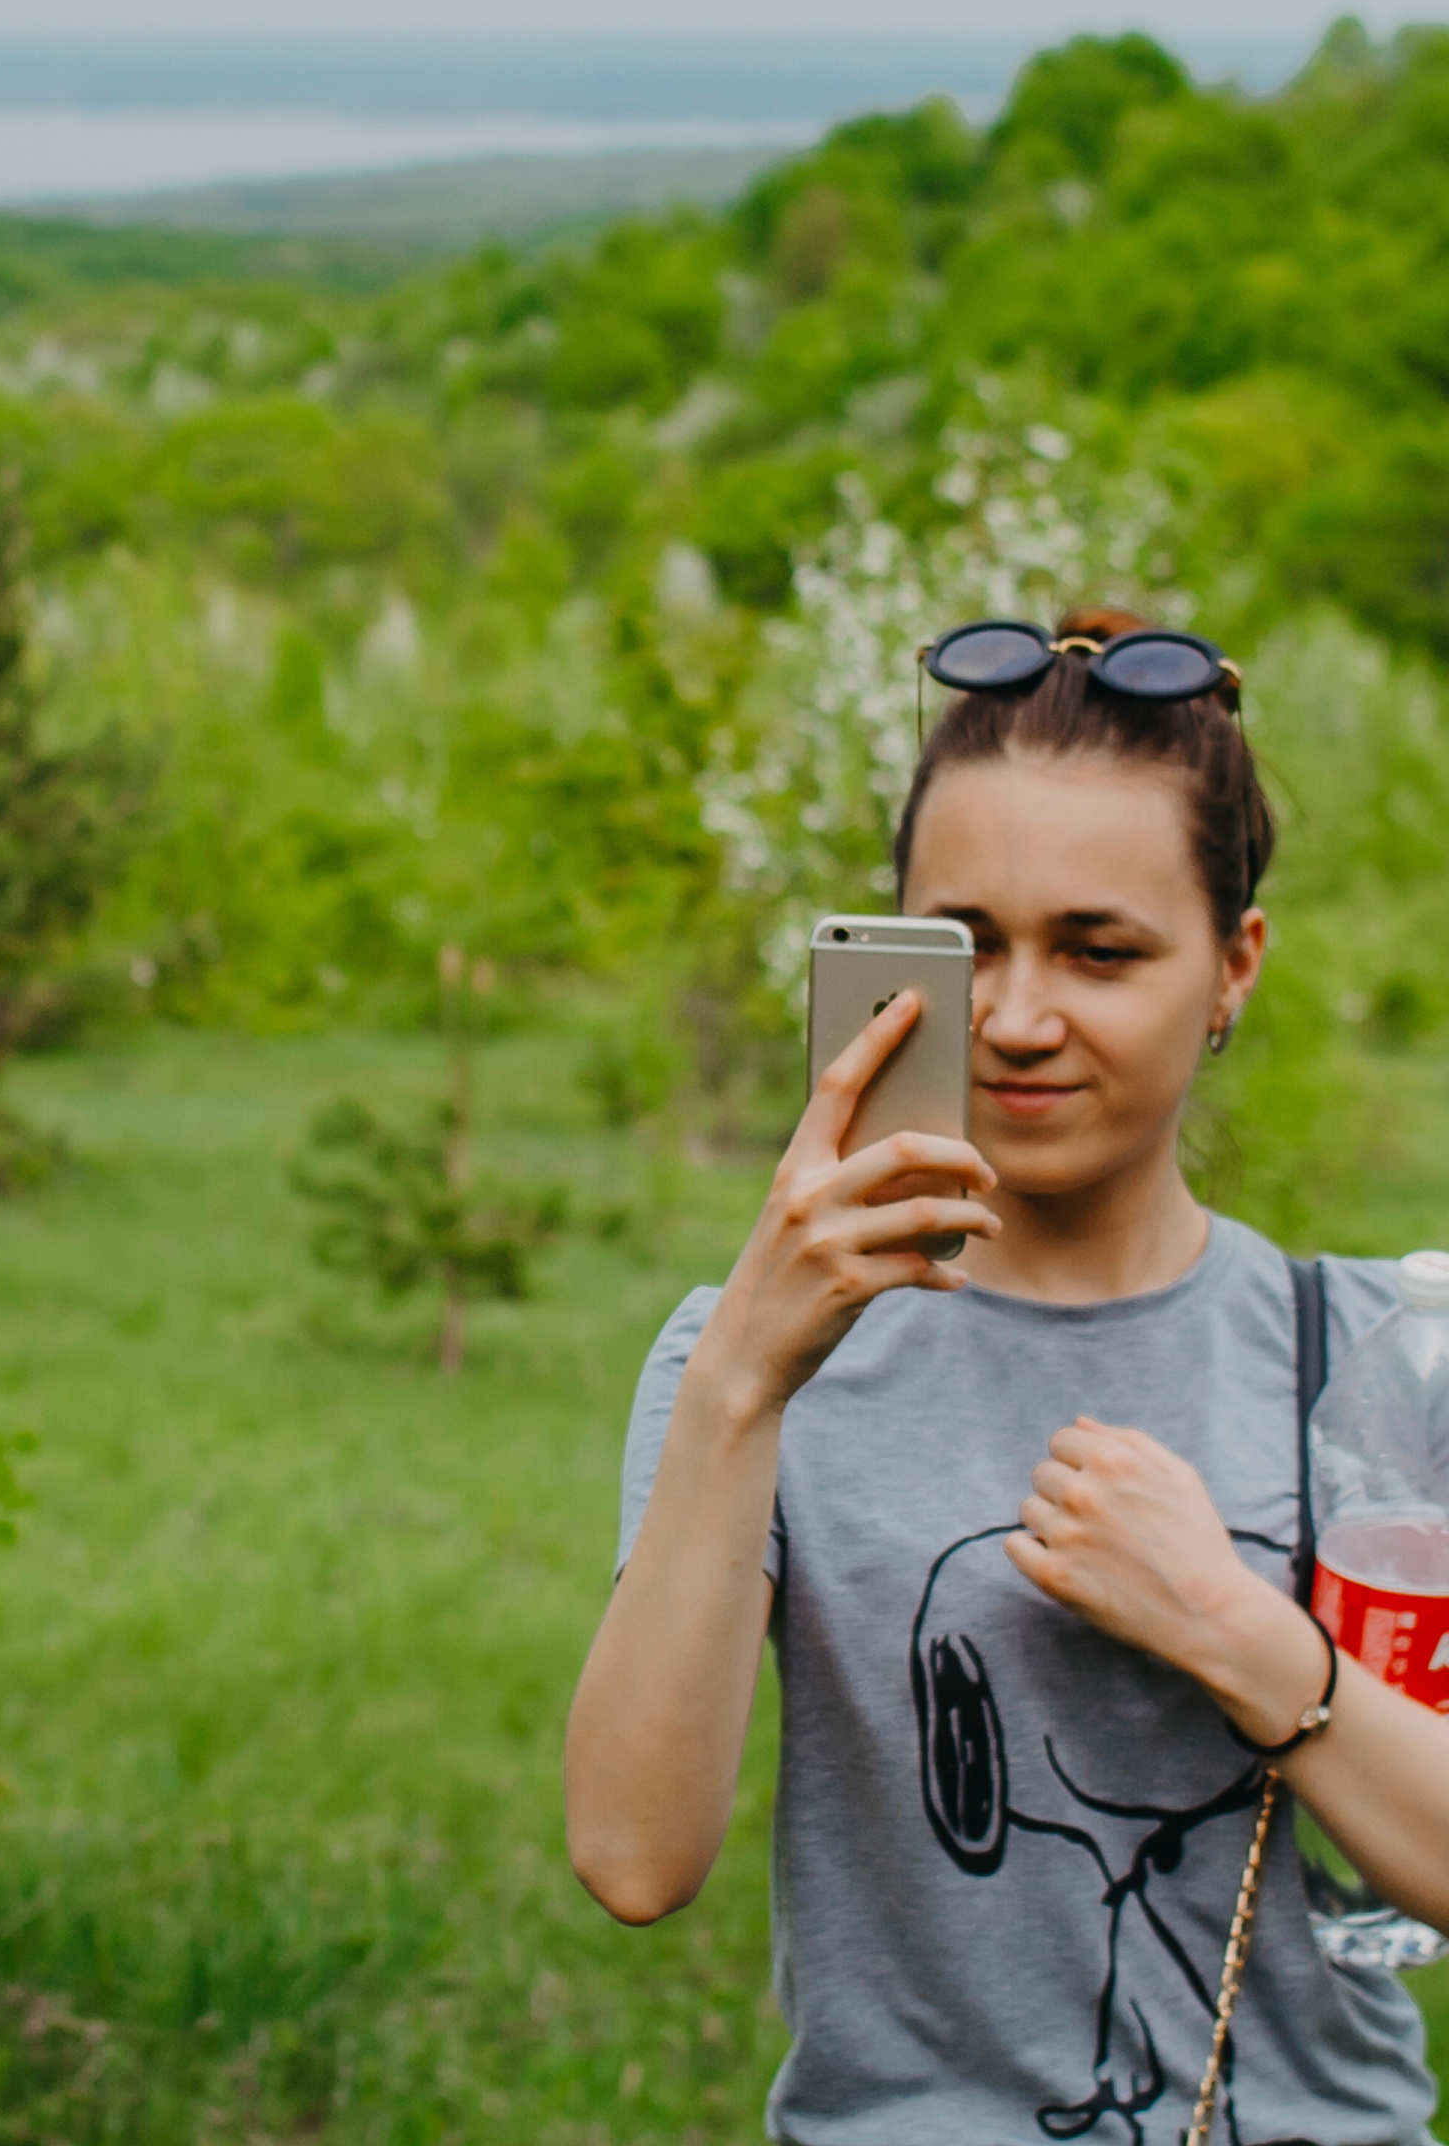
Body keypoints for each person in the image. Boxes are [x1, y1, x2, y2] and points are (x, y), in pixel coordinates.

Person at [565, 607, 1449, 2146]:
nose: (1019, 1019)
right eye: (964, 945)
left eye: (1100, 951)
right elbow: (635, 1859)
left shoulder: (1380, 1356)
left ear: (1234, 966)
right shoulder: (749, 1361)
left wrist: (1240, 1636)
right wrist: (742, 1382)